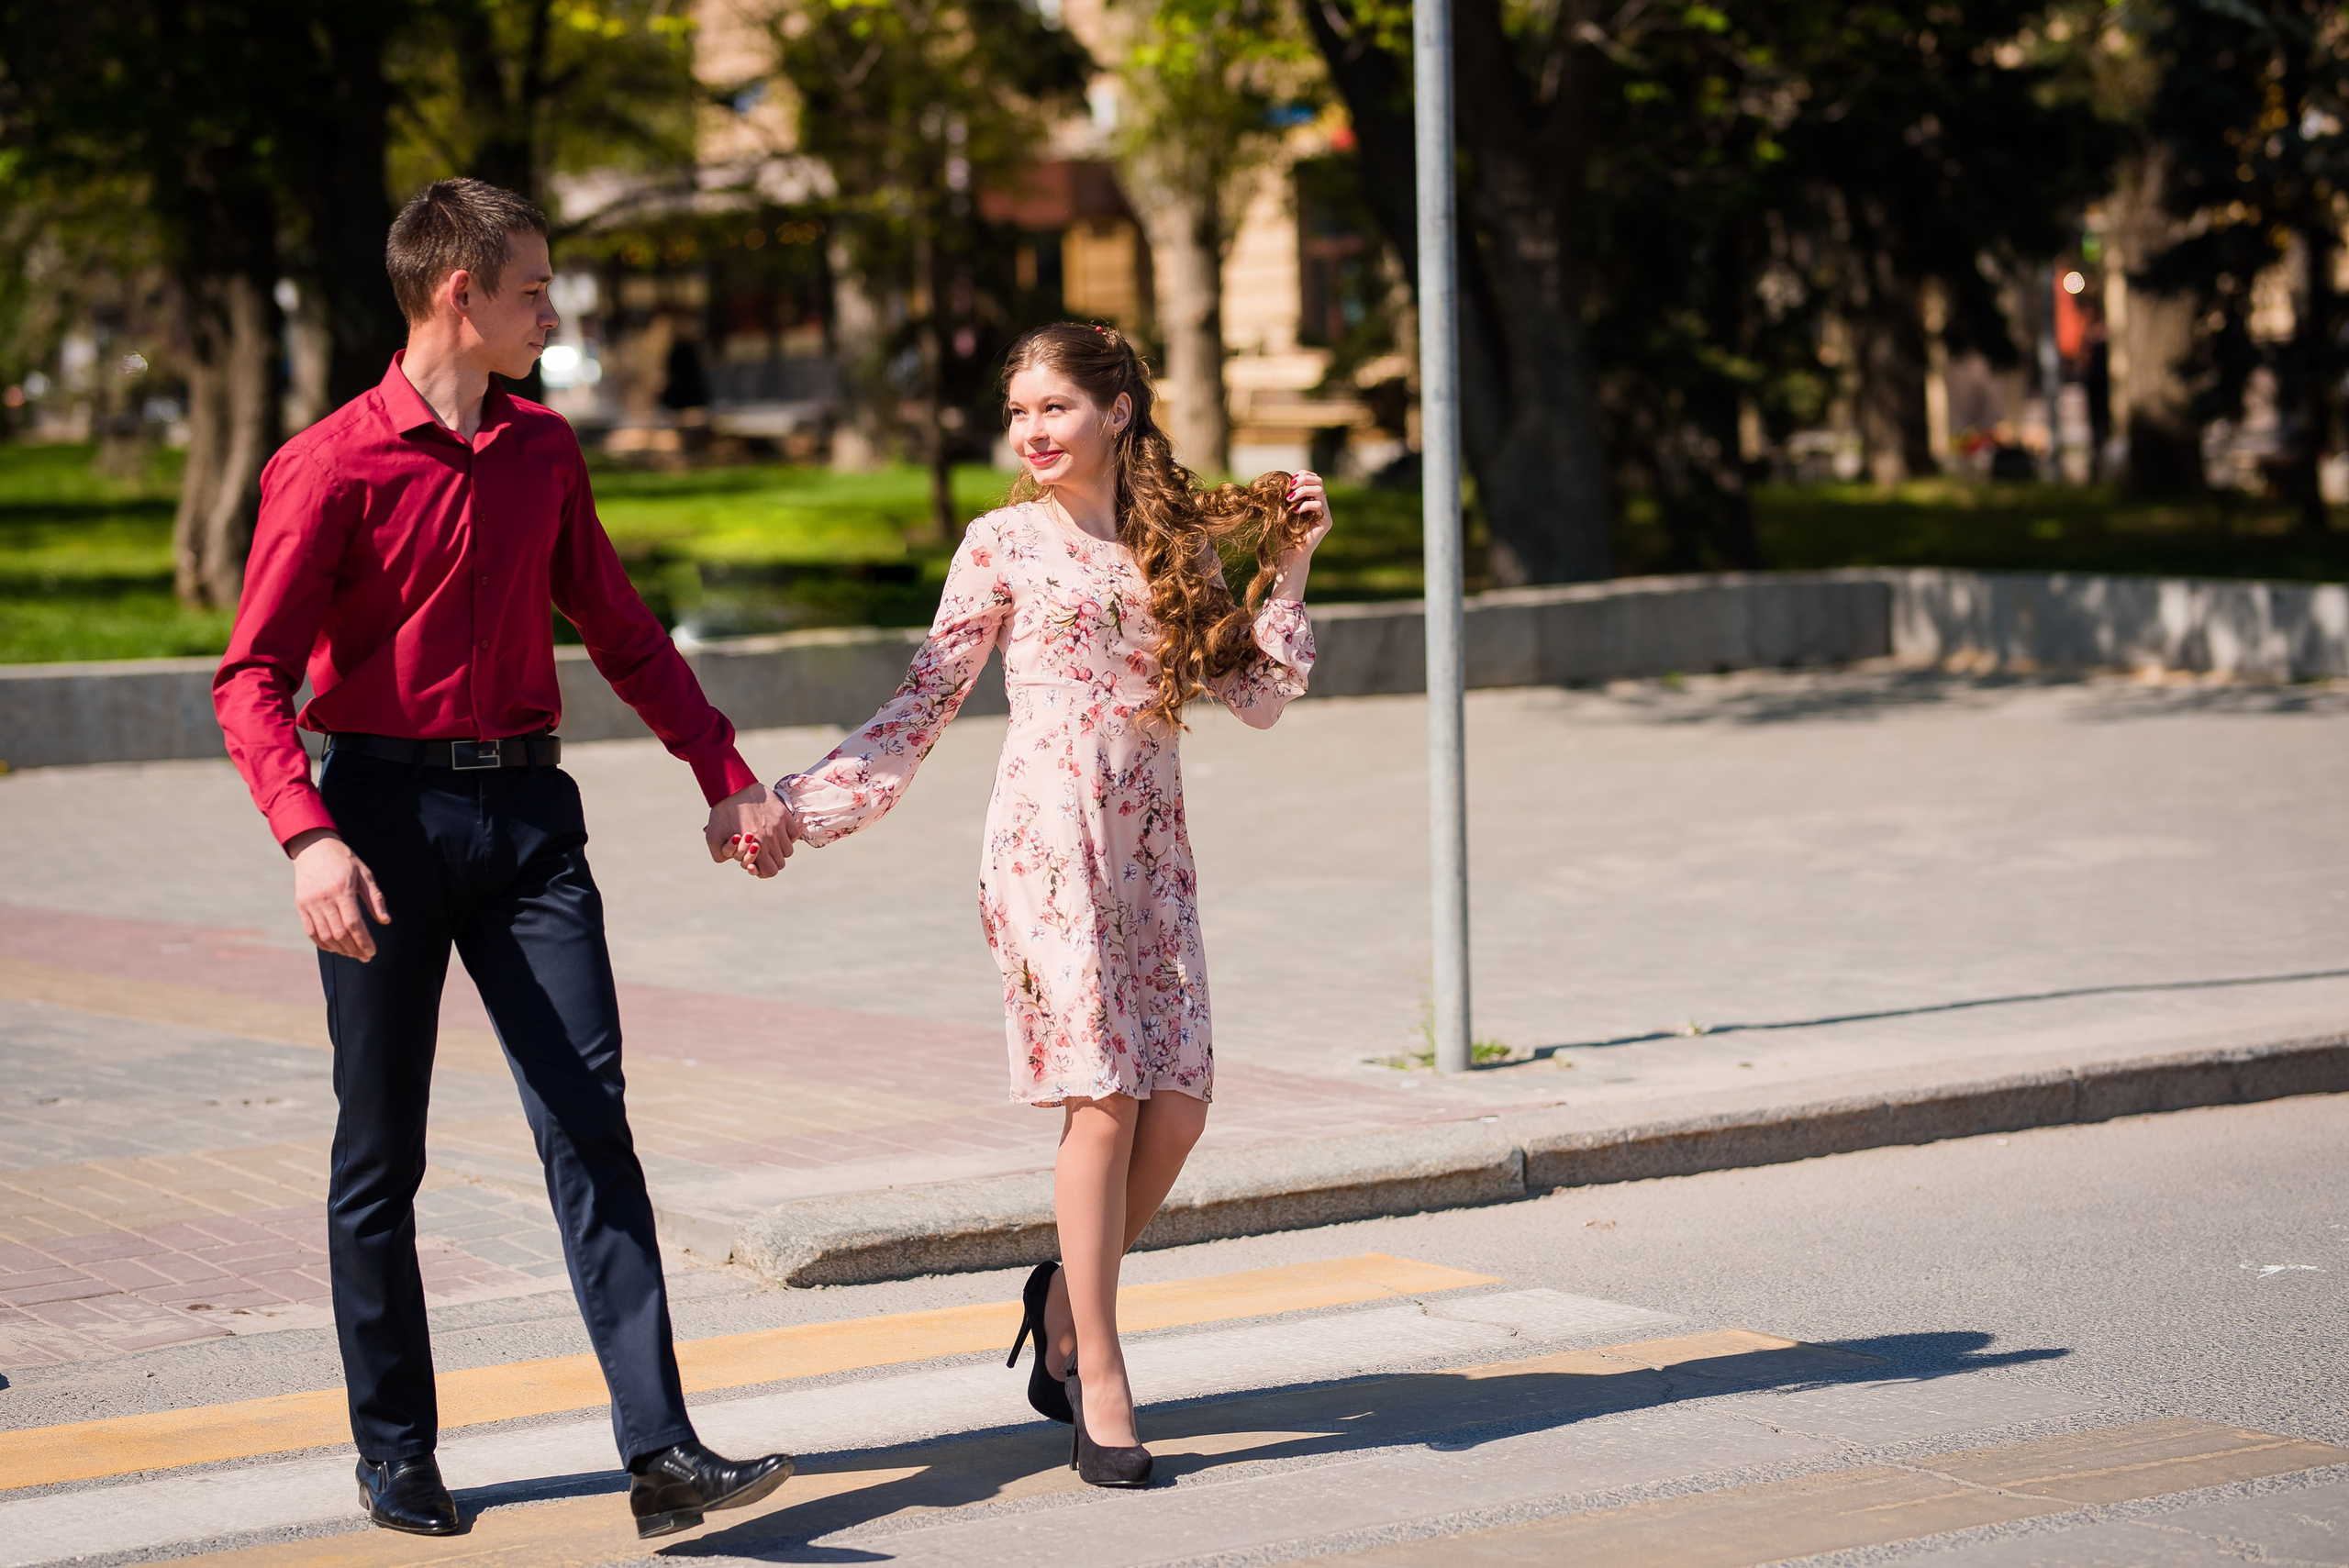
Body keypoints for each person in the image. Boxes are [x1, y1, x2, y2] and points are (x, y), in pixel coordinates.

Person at [212, 177, 797, 1541]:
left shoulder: (541, 449)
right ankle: (396, 1448)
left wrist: (721, 773)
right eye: (534, 286)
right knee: (383, 1153)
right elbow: (250, 675)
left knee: (592, 1125)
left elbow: (622, 624)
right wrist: (307, 834)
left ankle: (661, 1453)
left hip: (531, 828)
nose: (553, 307)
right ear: (458, 294)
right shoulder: (332, 463)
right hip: (381, 828)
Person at [738, 323, 1332, 1487]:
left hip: (1149, 845)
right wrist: (796, 810)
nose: (1032, 431)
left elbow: (1254, 699)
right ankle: (1096, 1371)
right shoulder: (1001, 541)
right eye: (1020, 412)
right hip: (1047, 837)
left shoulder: (1172, 548)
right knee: (1102, 1098)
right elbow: (921, 703)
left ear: (1118, 411)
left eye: (1055, 405)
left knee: (1179, 1105)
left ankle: (1061, 1287)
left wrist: (1293, 565)